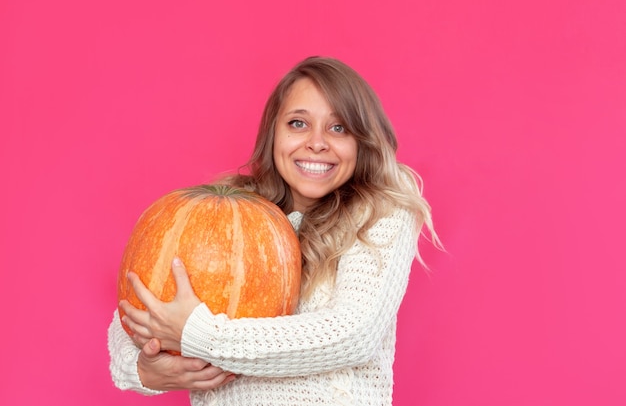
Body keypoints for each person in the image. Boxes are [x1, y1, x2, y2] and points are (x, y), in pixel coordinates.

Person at [108, 56, 439, 405]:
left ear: (363, 140)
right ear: (273, 133)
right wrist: (142, 368)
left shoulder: (381, 207)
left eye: (338, 128)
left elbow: (354, 334)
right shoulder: (229, 210)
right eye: (298, 123)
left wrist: (199, 334)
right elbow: (136, 304)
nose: (316, 142)